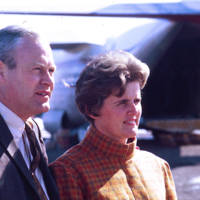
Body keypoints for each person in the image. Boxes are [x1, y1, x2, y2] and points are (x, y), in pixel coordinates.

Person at [50, 50, 177, 200]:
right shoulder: (69, 172)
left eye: (136, 101)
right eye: (122, 102)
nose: (134, 110)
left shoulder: (158, 167)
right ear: (92, 109)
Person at [0, 25, 60, 200]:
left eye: (51, 71)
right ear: (1, 72)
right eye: (37, 70)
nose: (49, 81)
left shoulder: (31, 131)